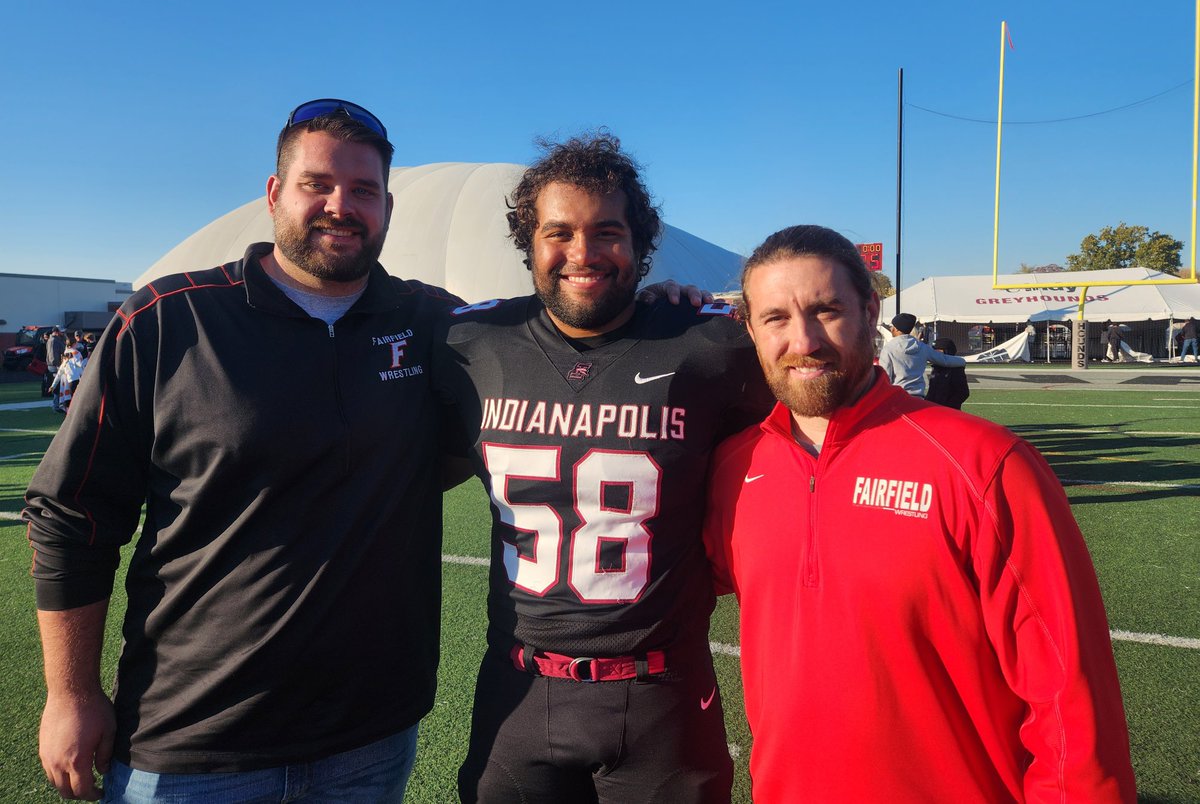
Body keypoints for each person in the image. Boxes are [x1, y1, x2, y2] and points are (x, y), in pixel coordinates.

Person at [23, 99, 462, 802]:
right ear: (274, 193)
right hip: (190, 743)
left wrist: (681, 311)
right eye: (317, 184)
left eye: (364, 190)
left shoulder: (438, 324)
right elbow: (74, 515)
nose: (340, 206)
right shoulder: (167, 320)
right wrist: (69, 694)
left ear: (387, 205)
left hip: (369, 739)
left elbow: (571, 339)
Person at [703, 224, 1137, 803]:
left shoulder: (982, 462)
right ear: (751, 330)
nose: (803, 340)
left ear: (869, 311)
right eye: (776, 318)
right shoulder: (735, 466)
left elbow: (1070, 693)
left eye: (826, 310)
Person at [437, 133, 771, 803]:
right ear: (528, 242)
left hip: (662, 695)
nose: (583, 253)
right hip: (519, 689)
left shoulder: (712, 345)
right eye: (558, 232)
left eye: (607, 231)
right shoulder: (469, 343)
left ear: (642, 242)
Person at [877, 311, 966, 397]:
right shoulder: (921, 347)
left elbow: (885, 377)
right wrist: (963, 361)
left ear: (896, 328)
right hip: (917, 397)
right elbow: (944, 360)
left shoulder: (889, 348)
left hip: (897, 396)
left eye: (892, 326)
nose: (890, 328)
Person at [925, 337, 969, 409]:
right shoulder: (936, 368)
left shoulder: (956, 369)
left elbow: (963, 393)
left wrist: (948, 407)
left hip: (948, 412)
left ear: (947, 351)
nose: (935, 355)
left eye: (938, 351)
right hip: (934, 410)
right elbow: (932, 391)